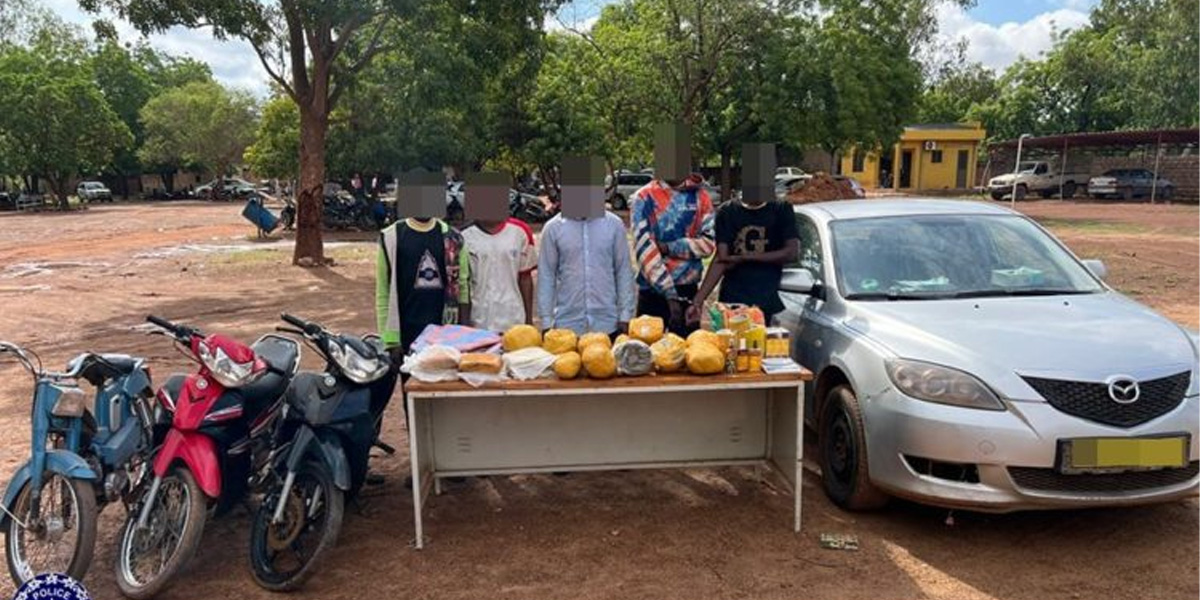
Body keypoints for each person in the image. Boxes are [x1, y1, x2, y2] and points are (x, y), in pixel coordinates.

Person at [375, 214, 471, 483]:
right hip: (407, 336)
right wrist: (390, 340)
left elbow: (462, 288)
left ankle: (450, 463)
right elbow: (383, 291)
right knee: (414, 404)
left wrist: (462, 334)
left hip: (445, 335)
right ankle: (422, 463)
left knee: (448, 401)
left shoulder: (452, 237)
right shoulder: (391, 237)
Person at [688, 190, 799, 326]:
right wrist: (697, 302)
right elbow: (721, 259)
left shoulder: (781, 209)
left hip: (768, 301)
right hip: (732, 302)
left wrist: (746, 258)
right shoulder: (727, 211)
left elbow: (792, 253)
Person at [630, 173, 714, 335]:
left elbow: (708, 245)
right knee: (645, 356)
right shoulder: (644, 197)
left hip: (688, 293)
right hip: (652, 292)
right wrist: (670, 295)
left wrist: (669, 248)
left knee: (691, 355)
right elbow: (645, 250)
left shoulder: (700, 196)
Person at [537, 210, 636, 336]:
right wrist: (546, 321)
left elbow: (623, 270)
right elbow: (546, 275)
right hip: (567, 325)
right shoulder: (553, 228)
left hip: (608, 323)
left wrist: (625, 315)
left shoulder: (614, 225)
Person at [461, 216, 538, 332]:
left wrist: (528, 320)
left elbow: (525, 278)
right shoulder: (464, 237)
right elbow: (463, 284)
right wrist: (464, 325)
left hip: (514, 318)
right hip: (479, 320)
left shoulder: (519, 232)